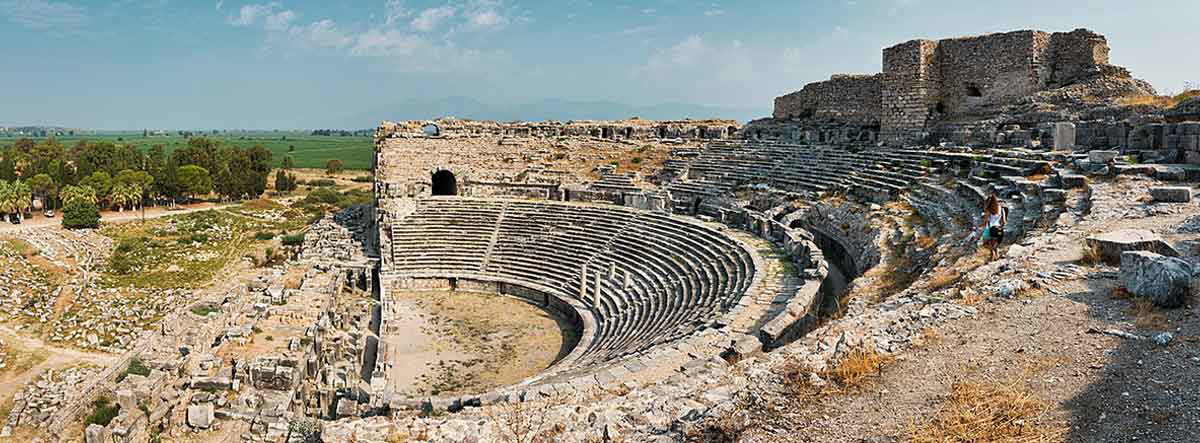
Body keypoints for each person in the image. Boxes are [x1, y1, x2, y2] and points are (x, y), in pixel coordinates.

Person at [980, 193, 1006, 260]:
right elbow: (1004, 221)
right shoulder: (1001, 209)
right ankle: (997, 257)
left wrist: (981, 226)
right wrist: (1001, 227)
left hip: (990, 228)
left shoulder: (989, 210)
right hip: (998, 228)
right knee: (995, 246)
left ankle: (992, 256)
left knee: (986, 244)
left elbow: (985, 221)